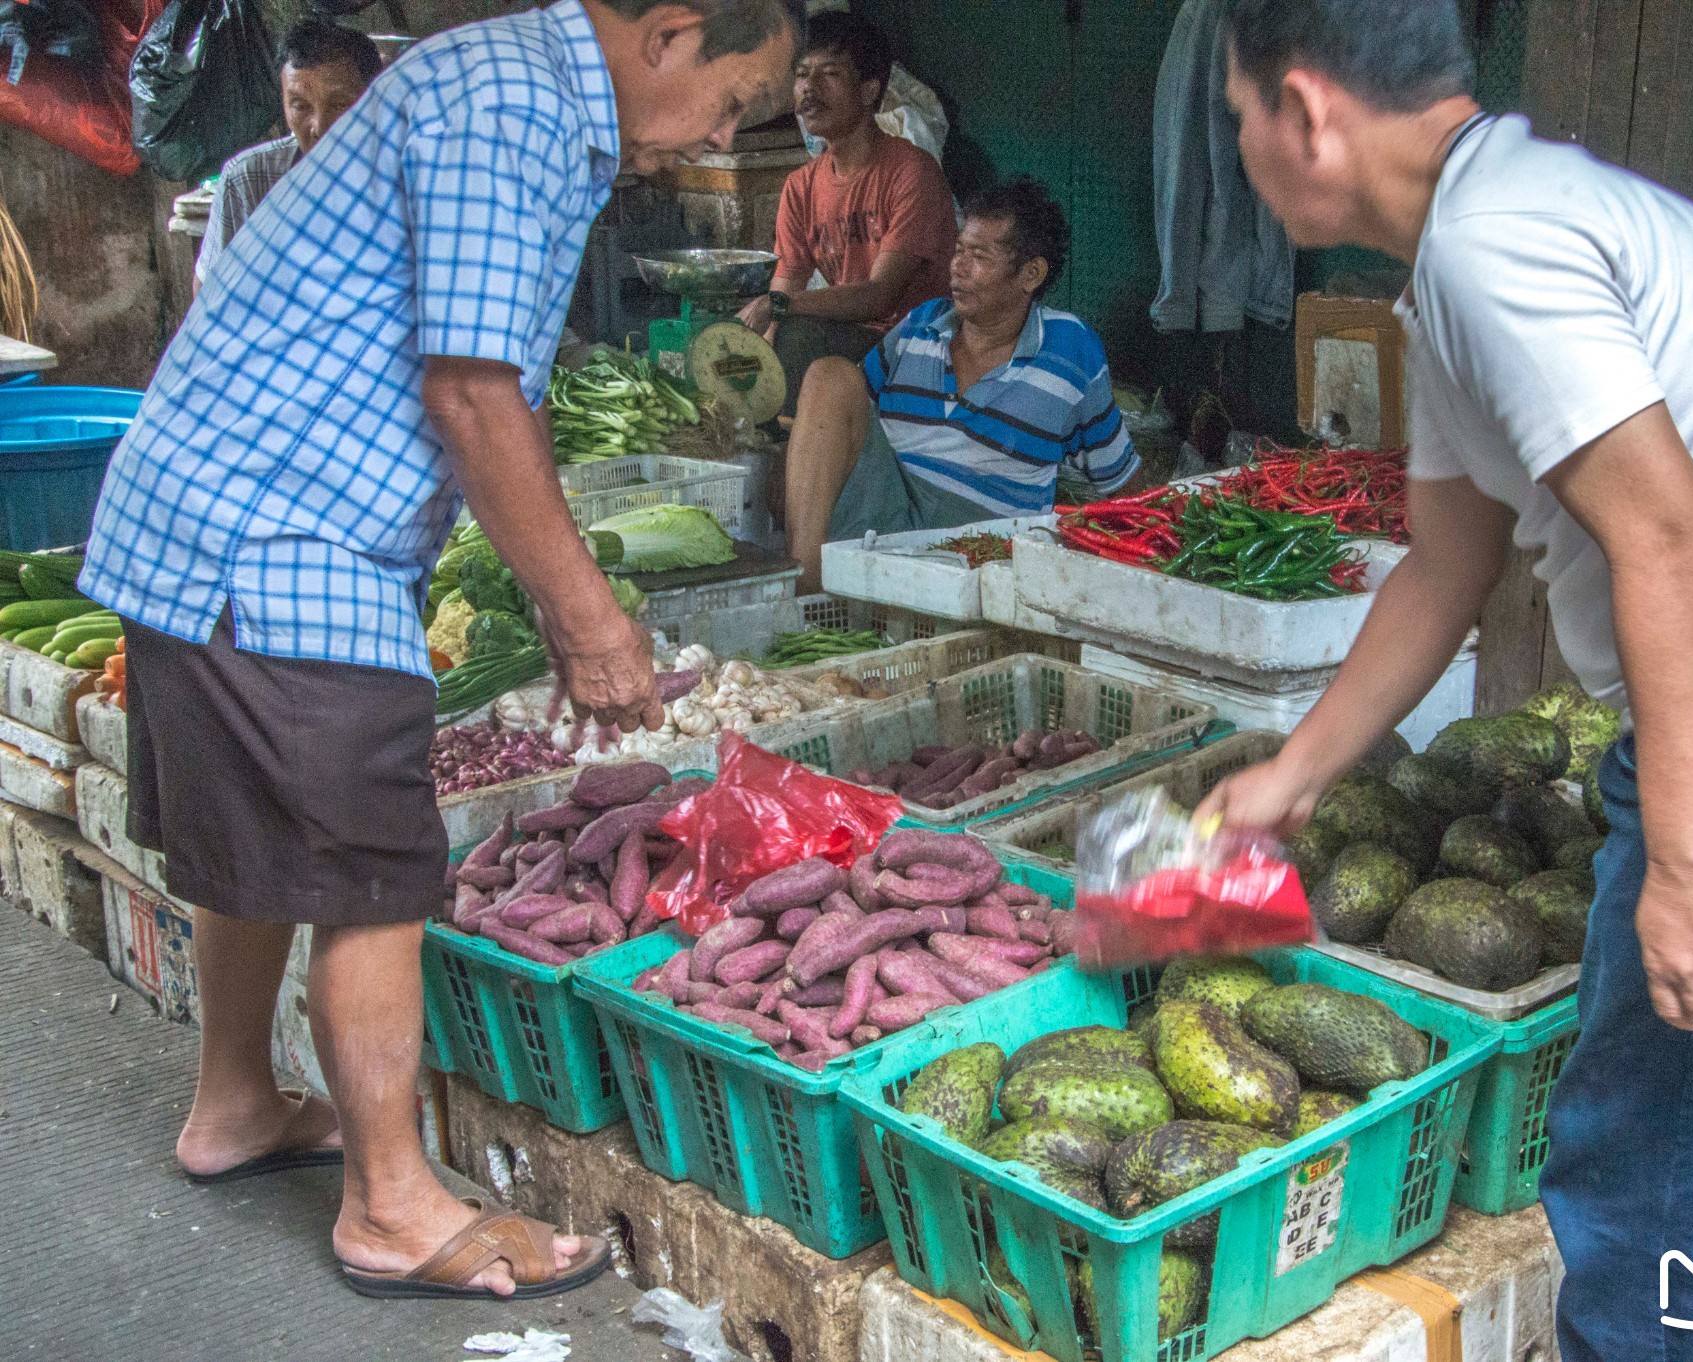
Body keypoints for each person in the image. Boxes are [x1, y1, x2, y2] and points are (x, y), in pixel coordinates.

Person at [1200, 3, 1693, 1360]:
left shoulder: (1498, 253)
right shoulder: (1476, 254)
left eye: (1238, 113)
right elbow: (1445, 564)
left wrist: (1686, 861)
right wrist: (1297, 770)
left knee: (1641, 1166)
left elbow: (1673, 536)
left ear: (1306, 111)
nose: (1238, 144)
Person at [80, 0, 801, 1302]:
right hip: (281, 527)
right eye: (735, 101)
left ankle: (235, 1099)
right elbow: (472, 387)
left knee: (257, 822)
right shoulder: (516, 106)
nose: (719, 135)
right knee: (374, 867)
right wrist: (587, 617)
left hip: (211, 508)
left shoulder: (504, 83)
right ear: (675, 32)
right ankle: (392, 1204)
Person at [784, 177, 1135, 593]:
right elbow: (837, 420)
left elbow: (1121, 486)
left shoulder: (1070, 350)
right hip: (884, 525)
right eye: (958, 251)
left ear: (1031, 274)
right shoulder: (923, 323)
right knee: (828, 376)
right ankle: (803, 590)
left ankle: (813, 591)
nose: (958, 266)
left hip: (978, 555)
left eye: (979, 256)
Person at [735, 10, 955, 414]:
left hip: (916, 350)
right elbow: (784, 291)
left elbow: (877, 298)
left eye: (829, 73)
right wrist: (750, 365)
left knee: (797, 335)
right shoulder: (800, 186)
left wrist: (779, 309)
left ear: (870, 89)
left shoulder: (912, 172)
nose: (808, 89)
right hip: (848, 340)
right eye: (802, 74)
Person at [194, 20, 383, 287]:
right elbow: (209, 299)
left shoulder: (407, 173)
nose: (319, 126)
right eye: (300, 106)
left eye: (340, 104)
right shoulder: (249, 180)